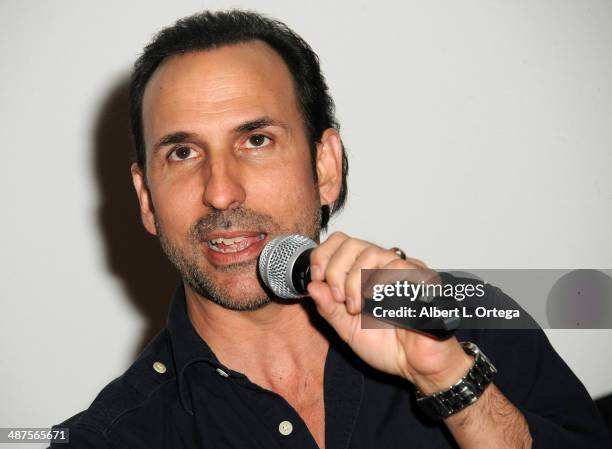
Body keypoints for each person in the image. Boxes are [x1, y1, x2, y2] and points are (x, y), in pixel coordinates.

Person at [50, 9, 612, 449]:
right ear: (146, 199)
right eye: (182, 152)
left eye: (257, 140)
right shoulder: (111, 438)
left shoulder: (464, 313)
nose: (220, 191)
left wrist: (447, 378)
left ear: (325, 167)